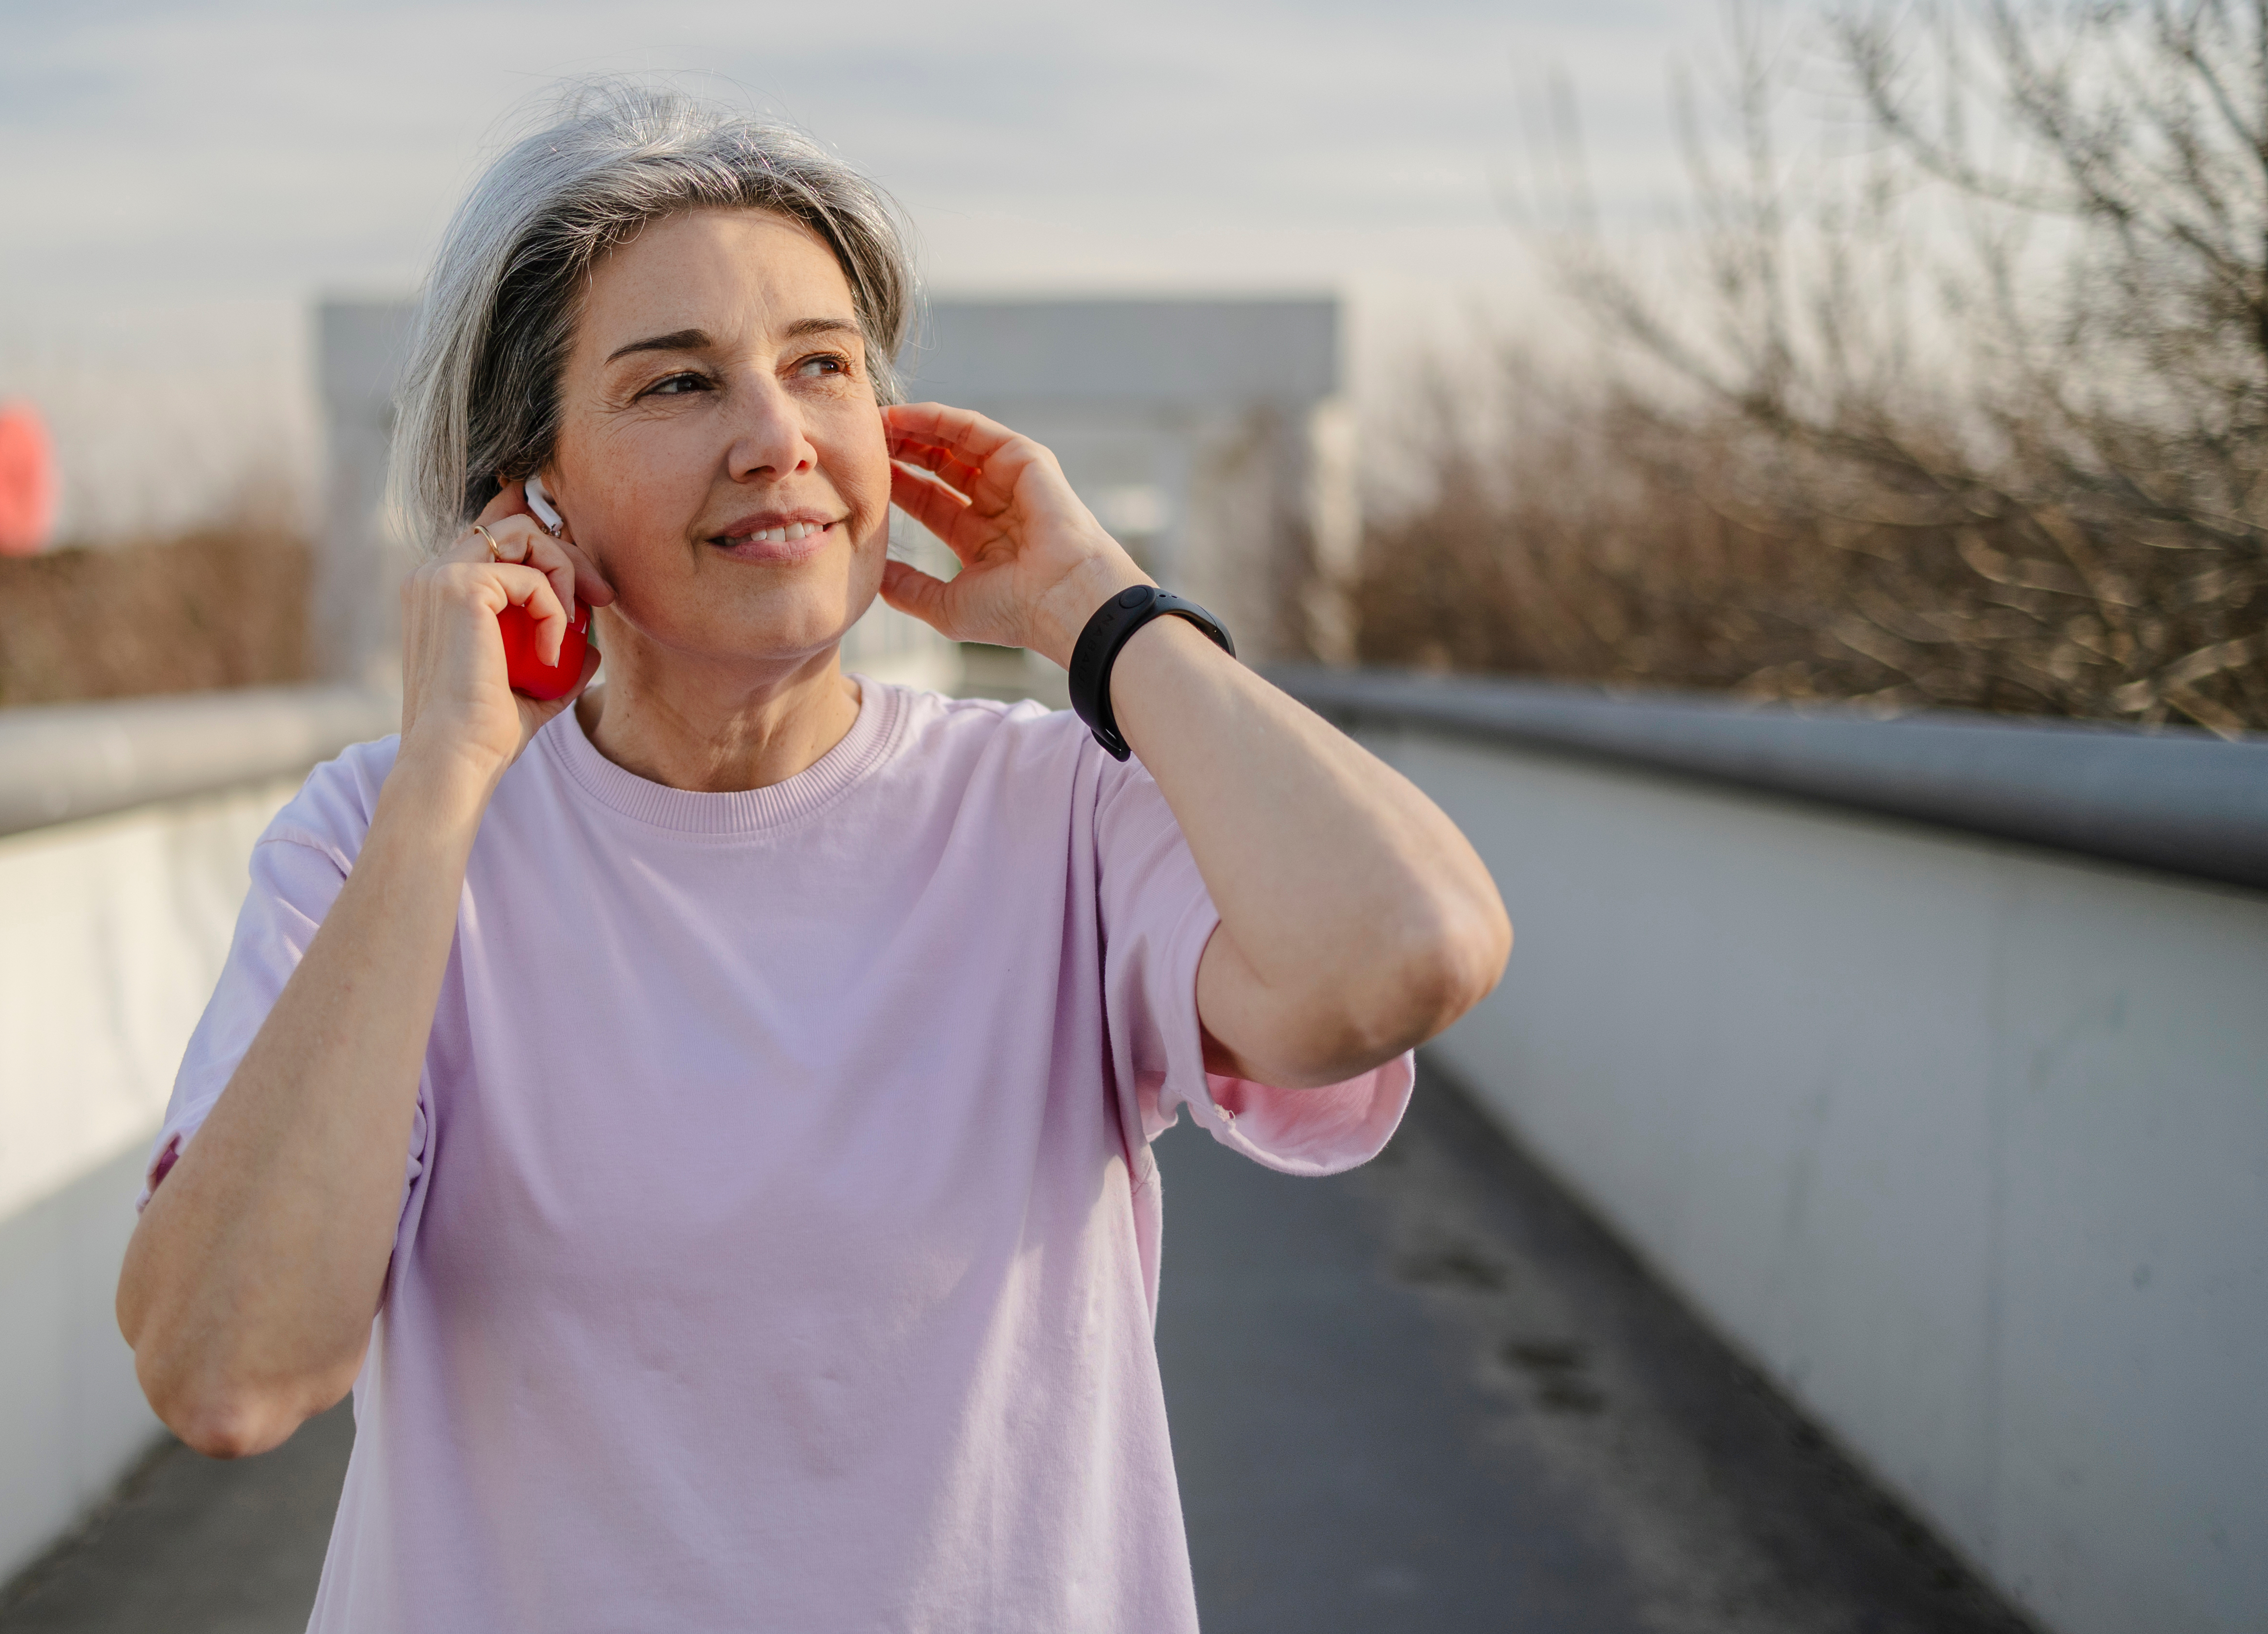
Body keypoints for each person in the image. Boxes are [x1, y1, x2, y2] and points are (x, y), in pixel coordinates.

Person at [115, 81, 1510, 1632]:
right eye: (677, 385)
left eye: (822, 368)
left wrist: (1103, 615)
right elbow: (231, 1369)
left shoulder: (1064, 815)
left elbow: (1415, 950)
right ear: (533, 494)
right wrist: (444, 783)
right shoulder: (376, 837)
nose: (776, 438)